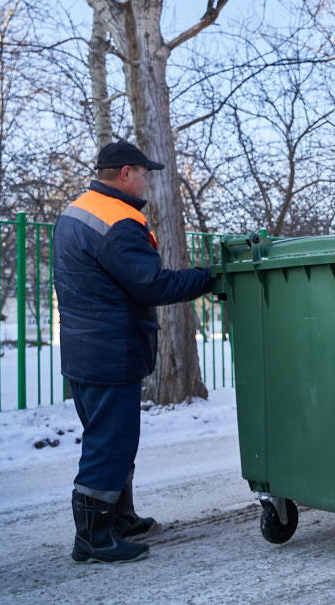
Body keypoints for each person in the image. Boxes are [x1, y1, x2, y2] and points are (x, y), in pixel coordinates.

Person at [54, 141, 212, 563]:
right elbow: (152, 285)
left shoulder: (75, 212)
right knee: (111, 442)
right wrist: (209, 278)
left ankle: (119, 518)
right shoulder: (119, 219)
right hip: (110, 350)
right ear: (125, 172)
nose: (146, 180)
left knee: (109, 438)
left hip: (83, 349)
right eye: (143, 172)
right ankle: (94, 537)